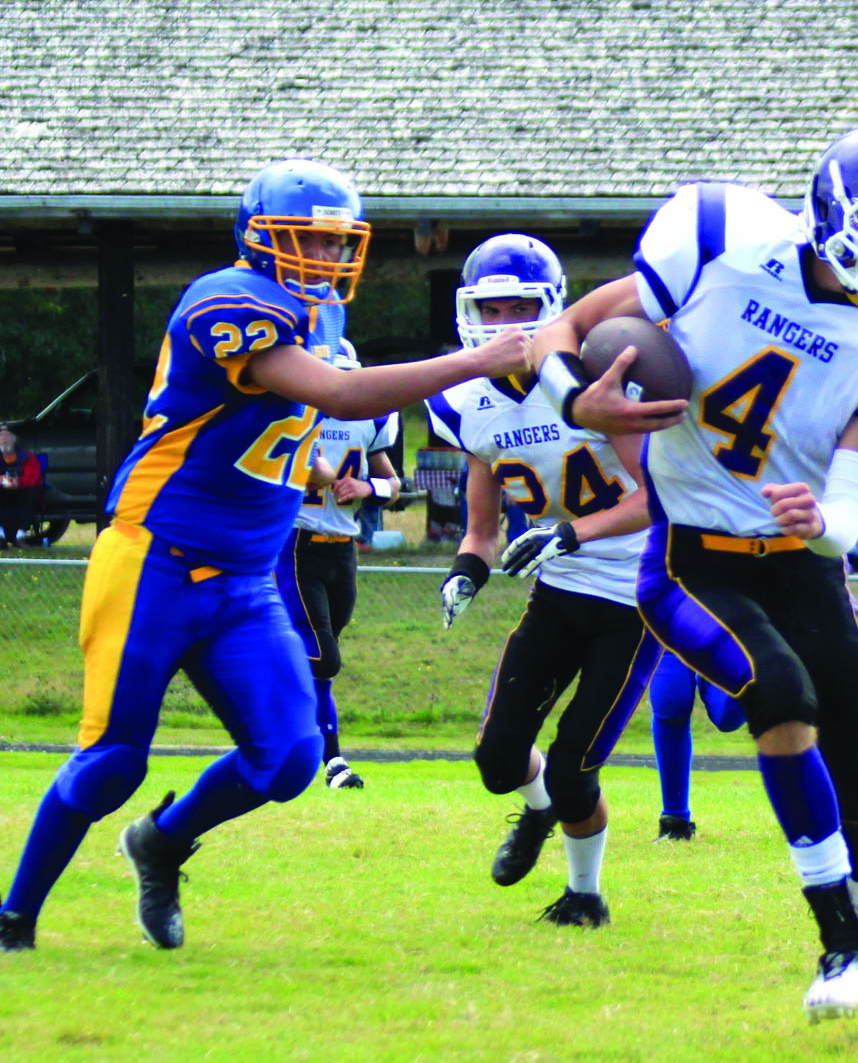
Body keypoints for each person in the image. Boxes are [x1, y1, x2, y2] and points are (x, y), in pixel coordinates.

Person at [0, 158, 530, 954]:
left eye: (336, 245)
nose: (326, 260)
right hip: (157, 557)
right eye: (308, 243)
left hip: (245, 577)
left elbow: (265, 428)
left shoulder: (315, 321)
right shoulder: (226, 297)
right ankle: (15, 916)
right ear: (259, 238)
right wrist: (477, 360)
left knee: (289, 756)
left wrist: (320, 474)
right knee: (113, 759)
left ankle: (163, 841)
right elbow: (344, 398)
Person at [523, 128, 858, 1040]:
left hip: (805, 566)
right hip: (693, 554)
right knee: (780, 695)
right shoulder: (718, 236)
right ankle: (837, 942)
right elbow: (560, 328)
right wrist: (577, 400)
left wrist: (833, 525)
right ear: (836, 213)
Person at [431, 233, 659, 928]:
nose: (505, 324)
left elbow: (663, 495)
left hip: (634, 596)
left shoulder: (596, 378)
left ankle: (585, 892)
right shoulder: (464, 401)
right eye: (490, 308)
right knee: (499, 759)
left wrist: (572, 531)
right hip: (558, 595)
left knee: (572, 767)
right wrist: (466, 572)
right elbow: (481, 527)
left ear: (552, 306)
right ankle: (534, 816)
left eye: (520, 306)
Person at [284, 339, 402, 793]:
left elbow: (394, 484)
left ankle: (332, 761)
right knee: (322, 656)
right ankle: (268, 715)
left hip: (342, 551)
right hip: (295, 545)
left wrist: (366, 487)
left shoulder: (368, 418)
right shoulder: (291, 416)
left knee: (319, 662)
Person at [647, 655, 745, 842]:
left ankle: (708, 674)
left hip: (729, 631)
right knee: (670, 698)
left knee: (728, 715)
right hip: (671, 631)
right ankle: (675, 819)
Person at [0, 427, 45, 548]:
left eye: (7, 436)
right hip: (2, 493)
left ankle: (20, 535)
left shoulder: (27, 456)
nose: (4, 440)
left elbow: (34, 479)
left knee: (33, 491)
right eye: (1, 436)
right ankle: (1, 536)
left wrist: (17, 482)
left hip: (22, 493)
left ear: (14, 440)